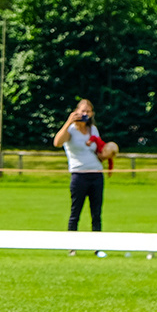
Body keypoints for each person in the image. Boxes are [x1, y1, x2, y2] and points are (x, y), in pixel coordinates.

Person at [53, 99, 108, 255]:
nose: (85, 114)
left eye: (88, 111)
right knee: (75, 211)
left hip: (96, 174)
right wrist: (69, 121)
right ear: (76, 111)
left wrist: (108, 153)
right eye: (82, 111)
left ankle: (98, 248)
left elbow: (98, 152)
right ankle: (72, 247)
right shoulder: (70, 130)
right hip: (79, 175)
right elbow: (57, 142)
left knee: (96, 213)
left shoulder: (93, 130)